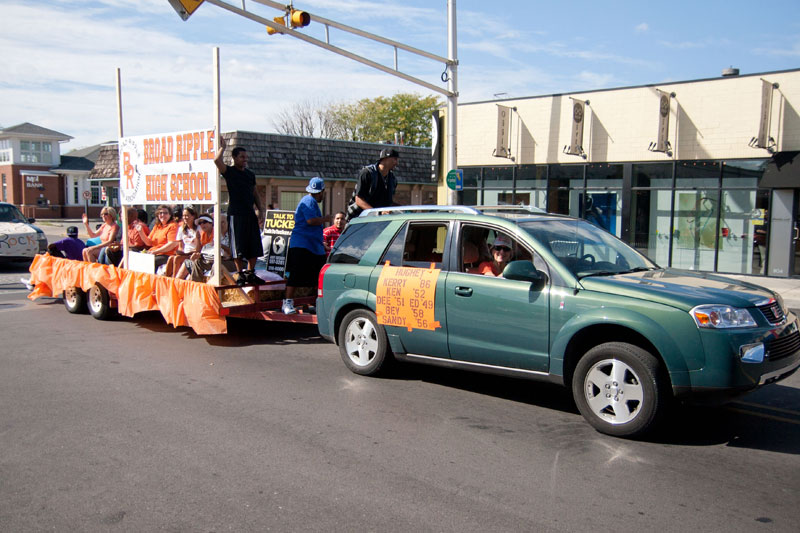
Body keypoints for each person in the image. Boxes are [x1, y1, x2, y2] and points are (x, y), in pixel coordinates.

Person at [214, 135, 265, 286]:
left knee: (254, 245)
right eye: (242, 157)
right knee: (238, 246)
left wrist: (260, 209)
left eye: (246, 157)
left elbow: (255, 192)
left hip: (249, 213)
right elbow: (217, 161)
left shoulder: (250, 174)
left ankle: (250, 273)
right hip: (236, 214)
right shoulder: (229, 172)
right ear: (235, 158)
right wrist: (222, 148)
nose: (245, 159)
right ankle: (240, 274)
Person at [282, 177, 331, 314]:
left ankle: (313, 302)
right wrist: (325, 219)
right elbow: (310, 221)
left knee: (317, 274)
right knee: (296, 275)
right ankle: (287, 303)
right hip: (302, 244)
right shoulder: (308, 201)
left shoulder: (312, 202)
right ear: (321, 192)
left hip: (313, 245)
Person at [345, 147, 399, 221]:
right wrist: (377, 213)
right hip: (358, 219)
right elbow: (359, 200)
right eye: (394, 159)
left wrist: (404, 209)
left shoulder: (392, 179)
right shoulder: (368, 173)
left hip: (379, 221)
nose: (396, 163)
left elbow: (388, 203)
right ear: (385, 159)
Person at [177, 215, 235, 282]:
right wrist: (198, 240)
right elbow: (200, 251)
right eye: (200, 223)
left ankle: (211, 289)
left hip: (230, 261)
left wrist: (220, 245)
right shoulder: (212, 235)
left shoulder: (232, 236)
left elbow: (233, 253)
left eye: (223, 222)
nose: (202, 225)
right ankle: (195, 286)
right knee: (197, 262)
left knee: (216, 265)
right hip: (214, 258)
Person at [135, 204, 179, 271]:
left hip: (167, 255)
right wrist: (140, 231)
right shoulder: (157, 226)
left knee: (149, 262)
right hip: (154, 253)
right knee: (136, 259)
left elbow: (172, 244)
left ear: (170, 215)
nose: (163, 215)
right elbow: (149, 243)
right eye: (160, 213)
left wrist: (156, 251)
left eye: (165, 213)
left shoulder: (173, 226)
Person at [164, 207, 200, 277]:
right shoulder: (181, 229)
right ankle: (167, 278)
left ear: (193, 216)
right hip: (185, 253)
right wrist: (180, 252)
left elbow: (199, 248)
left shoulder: (198, 228)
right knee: (171, 258)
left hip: (194, 253)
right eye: (183, 216)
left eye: (187, 215)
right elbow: (181, 247)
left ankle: (175, 279)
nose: (185, 217)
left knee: (177, 259)